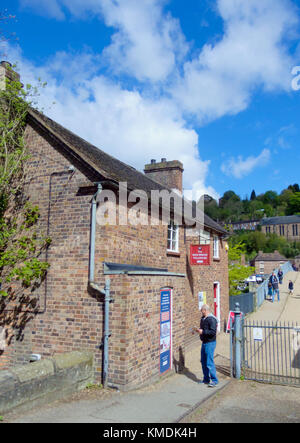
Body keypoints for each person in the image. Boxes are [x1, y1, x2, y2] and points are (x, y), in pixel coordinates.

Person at [194, 304, 219, 387]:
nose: (201, 312)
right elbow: (203, 329)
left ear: (205, 310)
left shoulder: (212, 319)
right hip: (204, 342)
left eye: (202, 311)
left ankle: (214, 380)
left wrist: (203, 332)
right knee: (203, 361)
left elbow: (212, 332)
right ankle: (206, 379)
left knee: (209, 362)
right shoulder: (203, 318)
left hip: (210, 343)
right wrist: (197, 330)